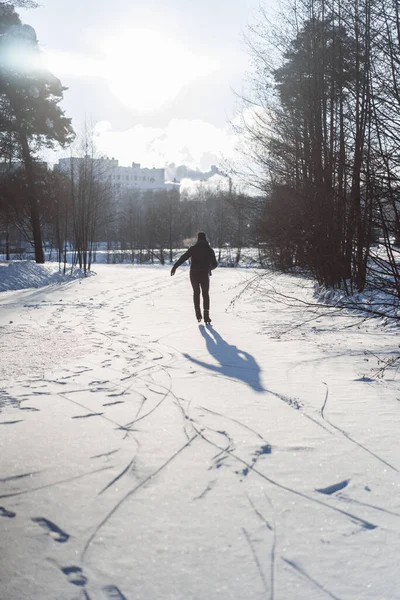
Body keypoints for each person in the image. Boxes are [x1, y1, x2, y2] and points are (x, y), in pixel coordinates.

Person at [171, 232, 218, 324]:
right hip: (204, 274)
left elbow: (183, 257)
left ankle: (198, 315)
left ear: (198, 239)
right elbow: (215, 264)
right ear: (205, 239)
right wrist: (209, 268)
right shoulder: (209, 250)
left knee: (196, 293)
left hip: (194, 274)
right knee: (205, 294)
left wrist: (175, 266)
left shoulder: (193, 249)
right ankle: (206, 316)